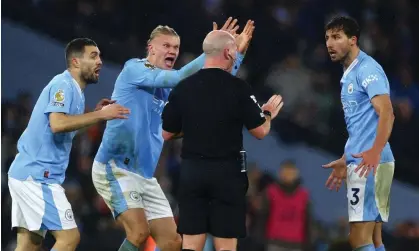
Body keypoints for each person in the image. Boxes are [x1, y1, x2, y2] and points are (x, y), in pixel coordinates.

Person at [91, 17, 254, 251]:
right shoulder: (134, 68)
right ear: (151, 48)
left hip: (145, 176)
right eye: (166, 45)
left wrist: (234, 56)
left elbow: (214, 85)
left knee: (172, 243)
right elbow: (179, 77)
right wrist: (214, 51)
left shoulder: (169, 91)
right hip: (115, 167)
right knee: (138, 233)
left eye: (176, 47)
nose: (172, 51)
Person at [161, 29, 284, 251]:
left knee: (190, 244)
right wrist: (267, 114)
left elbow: (167, 133)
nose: (237, 56)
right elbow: (261, 131)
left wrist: (196, 126)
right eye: (235, 52)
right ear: (227, 52)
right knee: (226, 246)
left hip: (192, 172)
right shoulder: (239, 88)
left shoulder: (184, 87)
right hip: (227, 176)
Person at [7, 38, 130, 251]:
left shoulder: (77, 93)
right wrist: (100, 115)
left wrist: (94, 115)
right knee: (70, 238)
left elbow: (65, 128)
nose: (100, 61)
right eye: (93, 56)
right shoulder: (63, 85)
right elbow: (57, 124)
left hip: (29, 174)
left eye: (100, 56)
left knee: (29, 246)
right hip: (37, 176)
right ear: (75, 62)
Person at [322, 16, 395, 251]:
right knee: (375, 239)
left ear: (353, 40)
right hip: (372, 159)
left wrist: (373, 152)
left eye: (336, 37)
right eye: (327, 38)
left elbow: (387, 112)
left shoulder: (366, 69)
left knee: (358, 238)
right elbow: (363, 123)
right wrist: (346, 158)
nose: (330, 44)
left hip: (369, 162)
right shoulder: (351, 72)